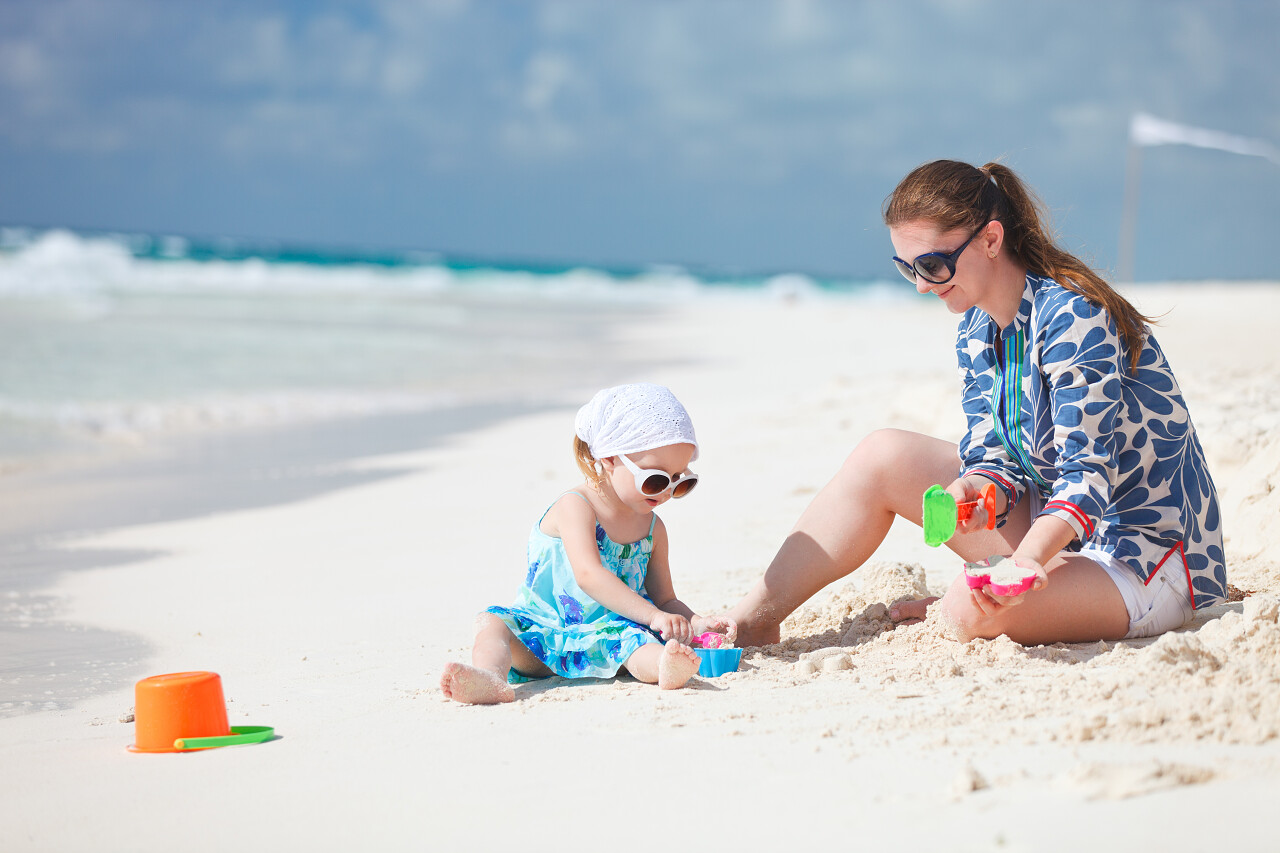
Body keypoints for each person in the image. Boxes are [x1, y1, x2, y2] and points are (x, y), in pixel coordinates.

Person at [729, 159, 1226, 648]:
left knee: (966, 610)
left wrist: (1021, 564)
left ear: (990, 239)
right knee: (881, 455)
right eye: (907, 268)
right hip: (1065, 529)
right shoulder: (976, 327)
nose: (922, 284)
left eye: (932, 265)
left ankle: (1002, 601)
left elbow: (1086, 479)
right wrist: (975, 488)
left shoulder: (1073, 316)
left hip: (1145, 556)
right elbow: (998, 459)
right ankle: (752, 620)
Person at [441, 382, 736, 704]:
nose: (666, 492)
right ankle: (490, 677)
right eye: (655, 479)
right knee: (493, 623)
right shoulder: (576, 506)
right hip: (543, 637)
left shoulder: (654, 529)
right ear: (609, 458)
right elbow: (588, 575)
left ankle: (665, 667)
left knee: (639, 644)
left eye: (680, 481)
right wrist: (653, 616)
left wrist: (696, 622)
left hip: (610, 641)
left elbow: (664, 598)